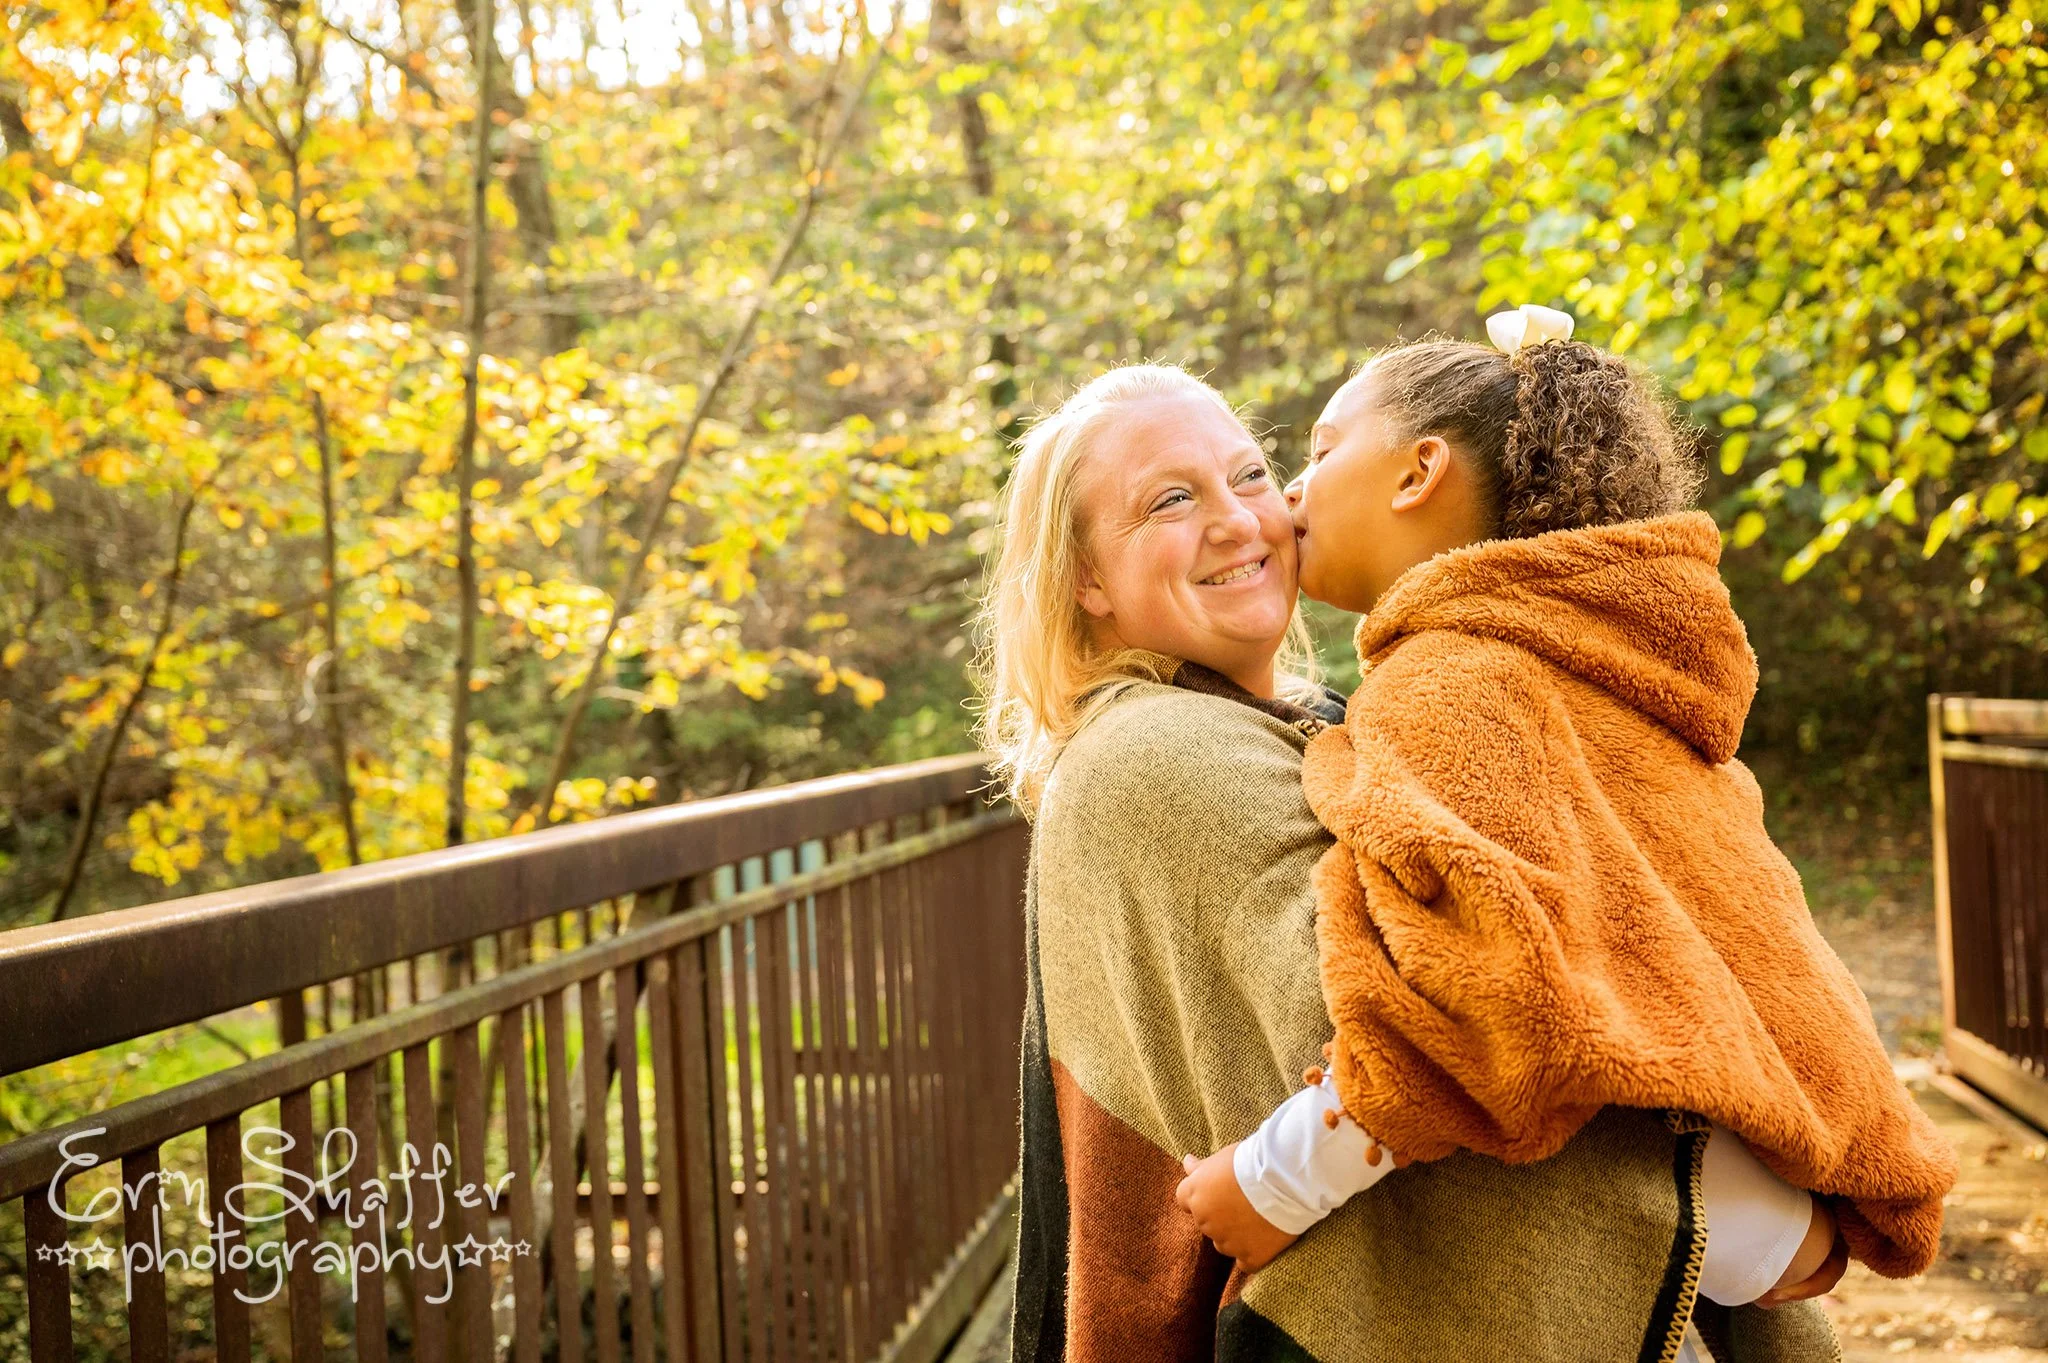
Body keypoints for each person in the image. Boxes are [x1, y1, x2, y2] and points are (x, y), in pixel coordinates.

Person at [982, 362, 1842, 1362]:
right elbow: (1451, 1045)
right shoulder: (1161, 755)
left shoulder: (1331, 724)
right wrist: (1744, 1223)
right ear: (1084, 576)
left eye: (1250, 472)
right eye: (1170, 499)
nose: (1240, 517)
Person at [1172, 308, 1957, 1354]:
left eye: (1317, 453)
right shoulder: (1597, 668)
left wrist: (1271, 1178)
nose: (1293, 494)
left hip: (1663, 1217)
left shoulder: (1451, 677)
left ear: (1416, 472)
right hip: (1757, 1199)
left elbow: (1489, 992)